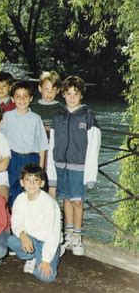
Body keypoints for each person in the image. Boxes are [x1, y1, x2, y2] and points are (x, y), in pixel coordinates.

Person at [46, 76, 101, 256]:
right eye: (68, 93)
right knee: (66, 200)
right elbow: (52, 143)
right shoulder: (58, 116)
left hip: (79, 167)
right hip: (60, 165)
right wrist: (51, 172)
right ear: (63, 94)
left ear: (81, 96)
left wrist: (90, 175)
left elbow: (94, 146)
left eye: (75, 94)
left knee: (77, 201)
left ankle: (78, 236)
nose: (71, 97)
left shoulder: (88, 116)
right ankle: (68, 234)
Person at [8, 163, 62, 283]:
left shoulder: (49, 203)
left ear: (42, 183)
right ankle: (31, 257)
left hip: (46, 242)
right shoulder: (20, 199)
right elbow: (16, 222)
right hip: (31, 238)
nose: (31, 184)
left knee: (47, 277)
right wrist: (22, 235)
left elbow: (52, 233)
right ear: (22, 182)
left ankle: (55, 252)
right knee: (11, 240)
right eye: (28, 180)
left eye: (35, 180)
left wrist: (46, 260)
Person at [0, 80, 49, 207]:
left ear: (31, 98)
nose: (22, 100)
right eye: (18, 96)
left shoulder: (36, 118)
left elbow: (42, 145)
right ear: (12, 98)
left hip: (31, 159)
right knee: (13, 190)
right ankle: (15, 222)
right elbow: (0, 139)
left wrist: (41, 169)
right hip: (12, 158)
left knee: (31, 191)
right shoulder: (7, 117)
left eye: (25, 96)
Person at [30, 71, 64, 135]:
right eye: (46, 89)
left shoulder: (62, 109)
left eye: (53, 89)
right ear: (40, 88)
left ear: (58, 91)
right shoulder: (32, 108)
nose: (49, 92)